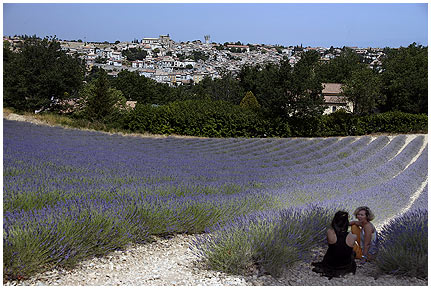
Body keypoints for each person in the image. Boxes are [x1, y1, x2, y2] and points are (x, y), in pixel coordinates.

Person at [311, 211, 357, 279]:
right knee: (352, 253)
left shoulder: (330, 232)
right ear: (347, 222)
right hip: (345, 265)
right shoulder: (353, 236)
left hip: (330, 263)